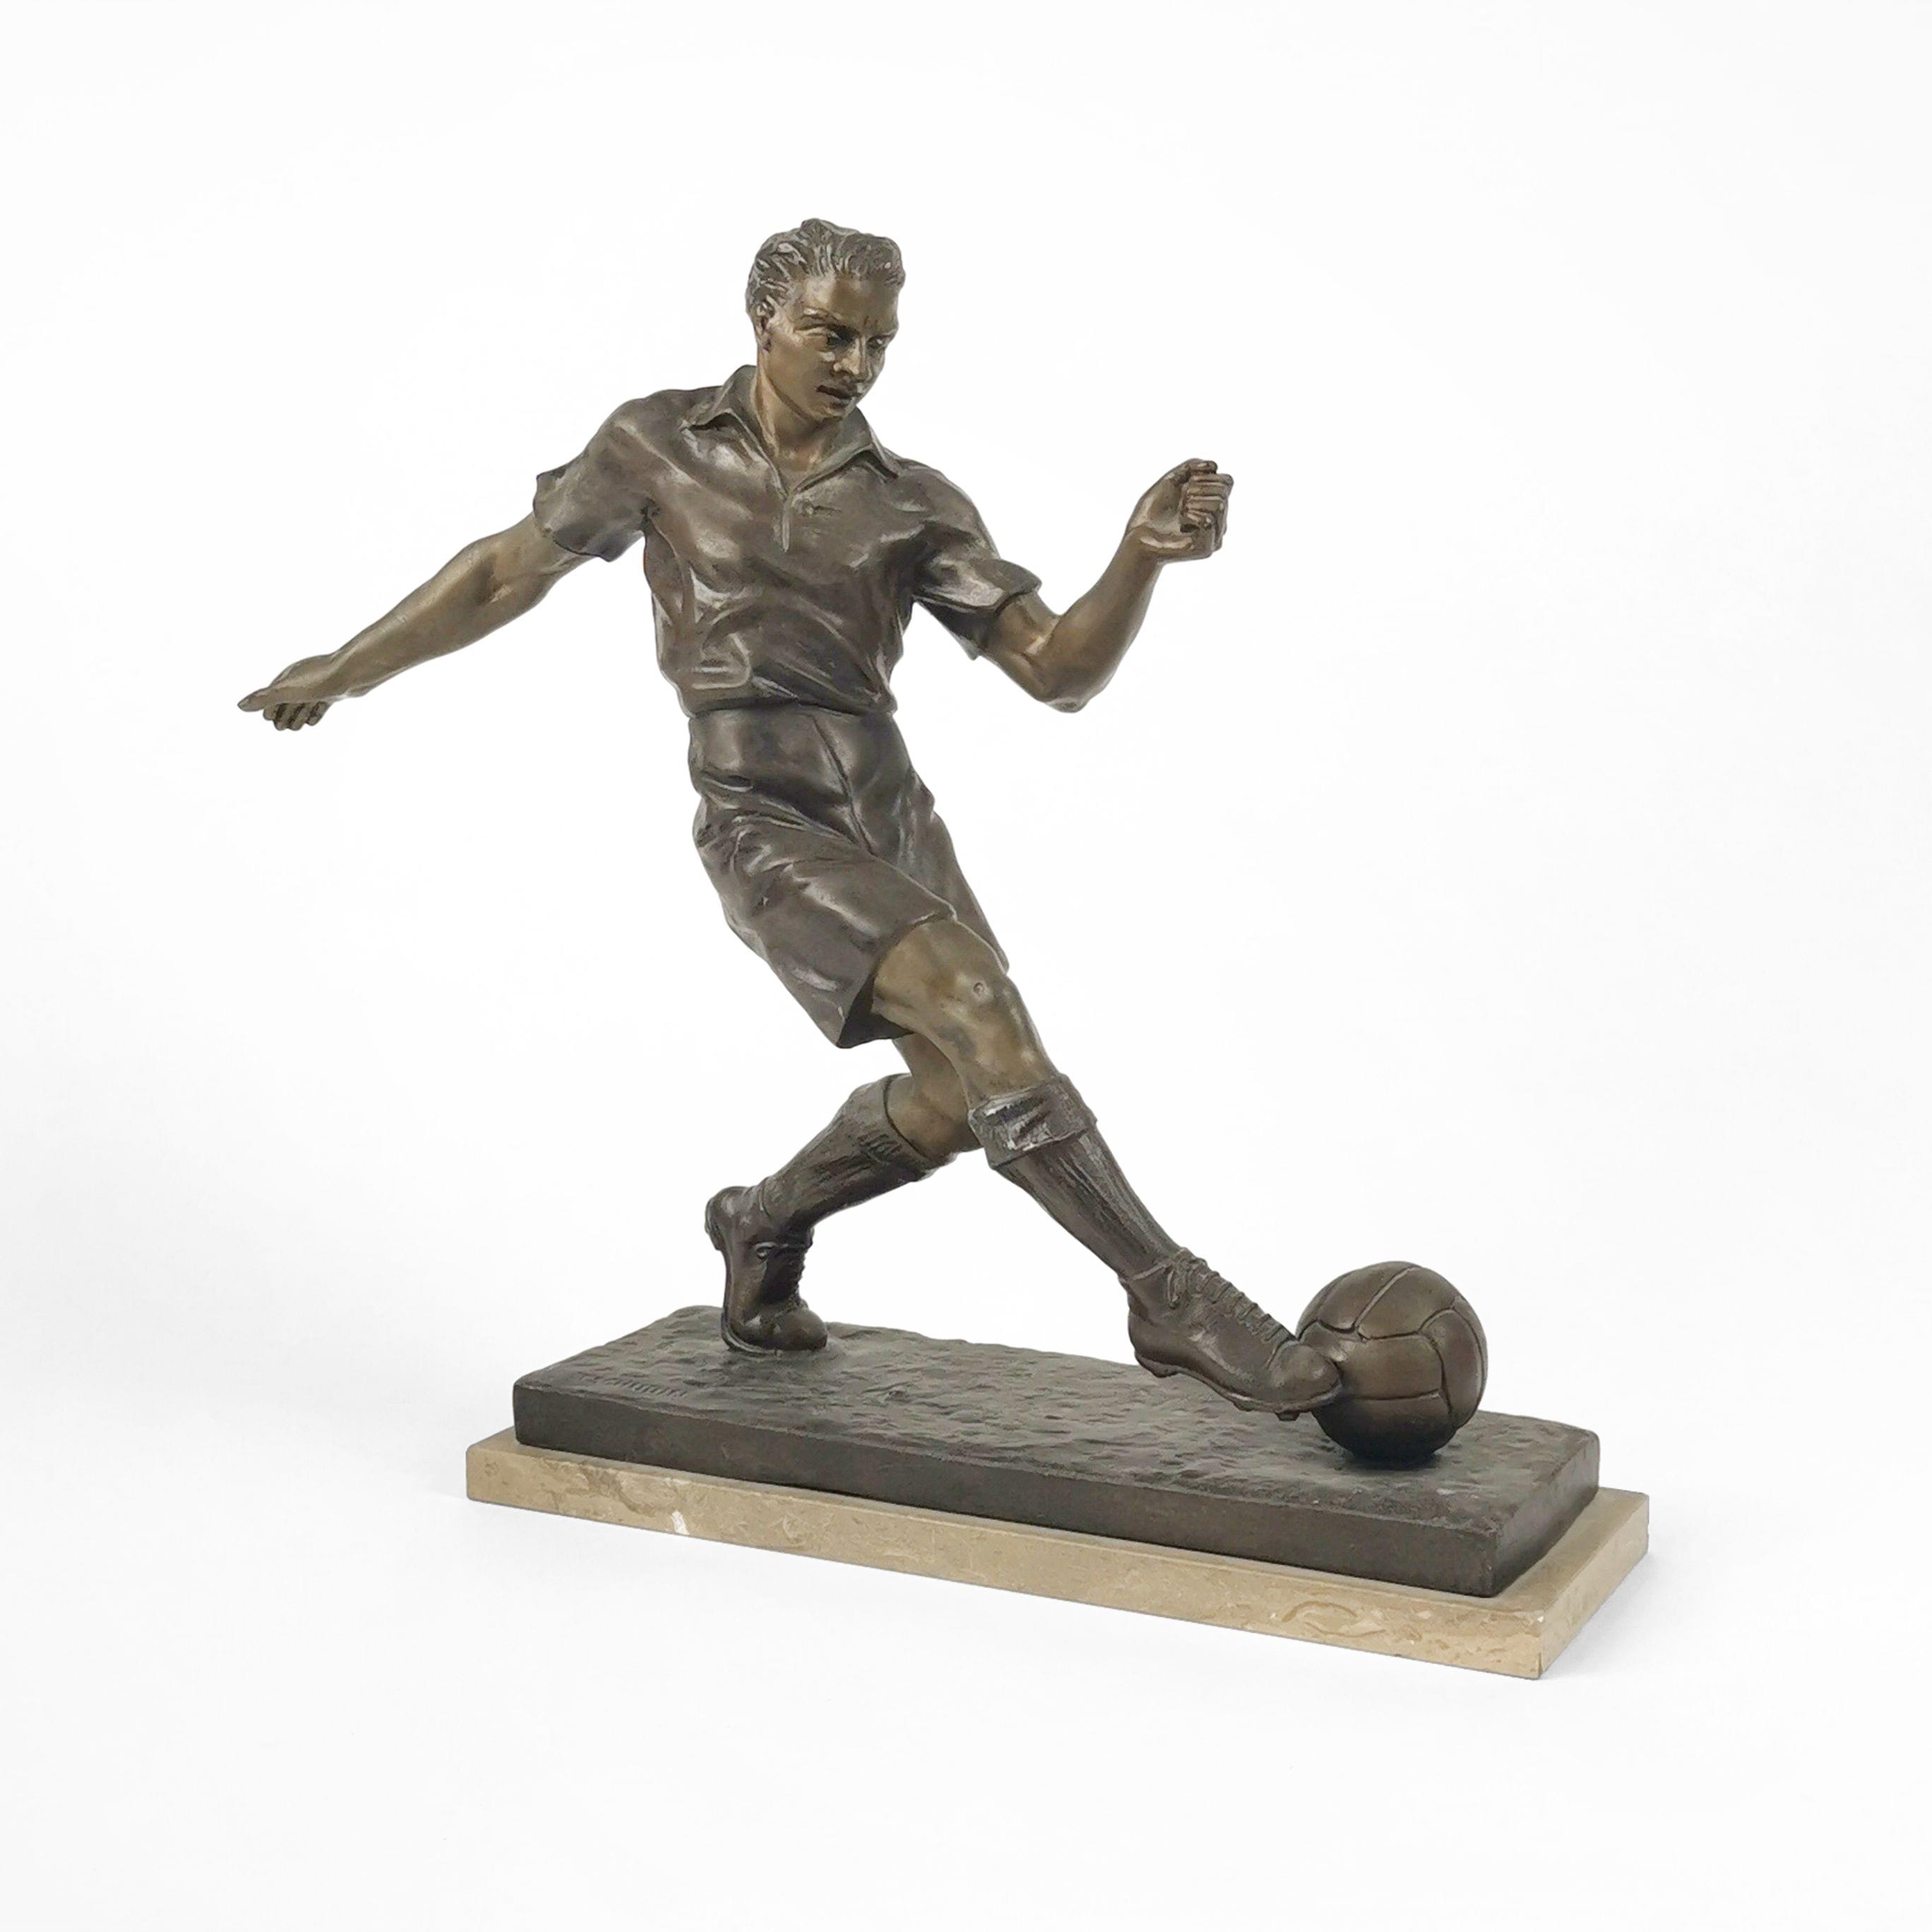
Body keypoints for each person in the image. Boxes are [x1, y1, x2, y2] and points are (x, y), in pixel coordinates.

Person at [241, 218, 1339, 1419]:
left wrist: (1139, 557)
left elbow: (1059, 671)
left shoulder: (913, 503)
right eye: (829, 333)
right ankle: (1169, 1296)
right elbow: (505, 571)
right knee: (979, 1007)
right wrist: (344, 669)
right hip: (758, 805)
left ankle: (761, 1224)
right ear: (764, 318)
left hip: (889, 809)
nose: (854, 364)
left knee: (956, 1094)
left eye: (877, 344)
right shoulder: (656, 445)